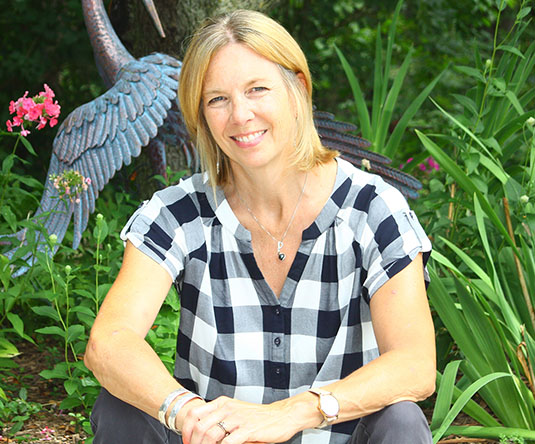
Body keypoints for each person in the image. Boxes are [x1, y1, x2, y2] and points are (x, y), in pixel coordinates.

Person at [84, 9, 435, 444]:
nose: (240, 115)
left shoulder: (373, 208)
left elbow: (416, 365)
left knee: (401, 418)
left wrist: (295, 412)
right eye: (218, 99)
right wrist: (184, 410)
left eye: (257, 90)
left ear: (297, 89)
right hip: (214, 440)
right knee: (119, 406)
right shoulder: (177, 214)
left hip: (333, 436)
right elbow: (109, 341)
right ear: (201, 116)